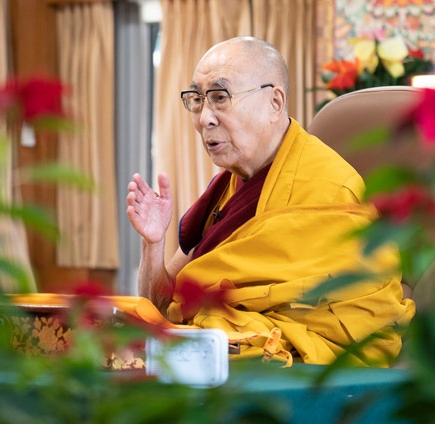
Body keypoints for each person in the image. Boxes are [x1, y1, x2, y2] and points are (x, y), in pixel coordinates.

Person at [126, 36, 415, 366]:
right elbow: (163, 307)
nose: (204, 117)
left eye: (220, 98)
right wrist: (153, 243)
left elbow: (363, 321)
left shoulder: (331, 190)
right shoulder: (226, 190)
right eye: (197, 99)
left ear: (275, 103)